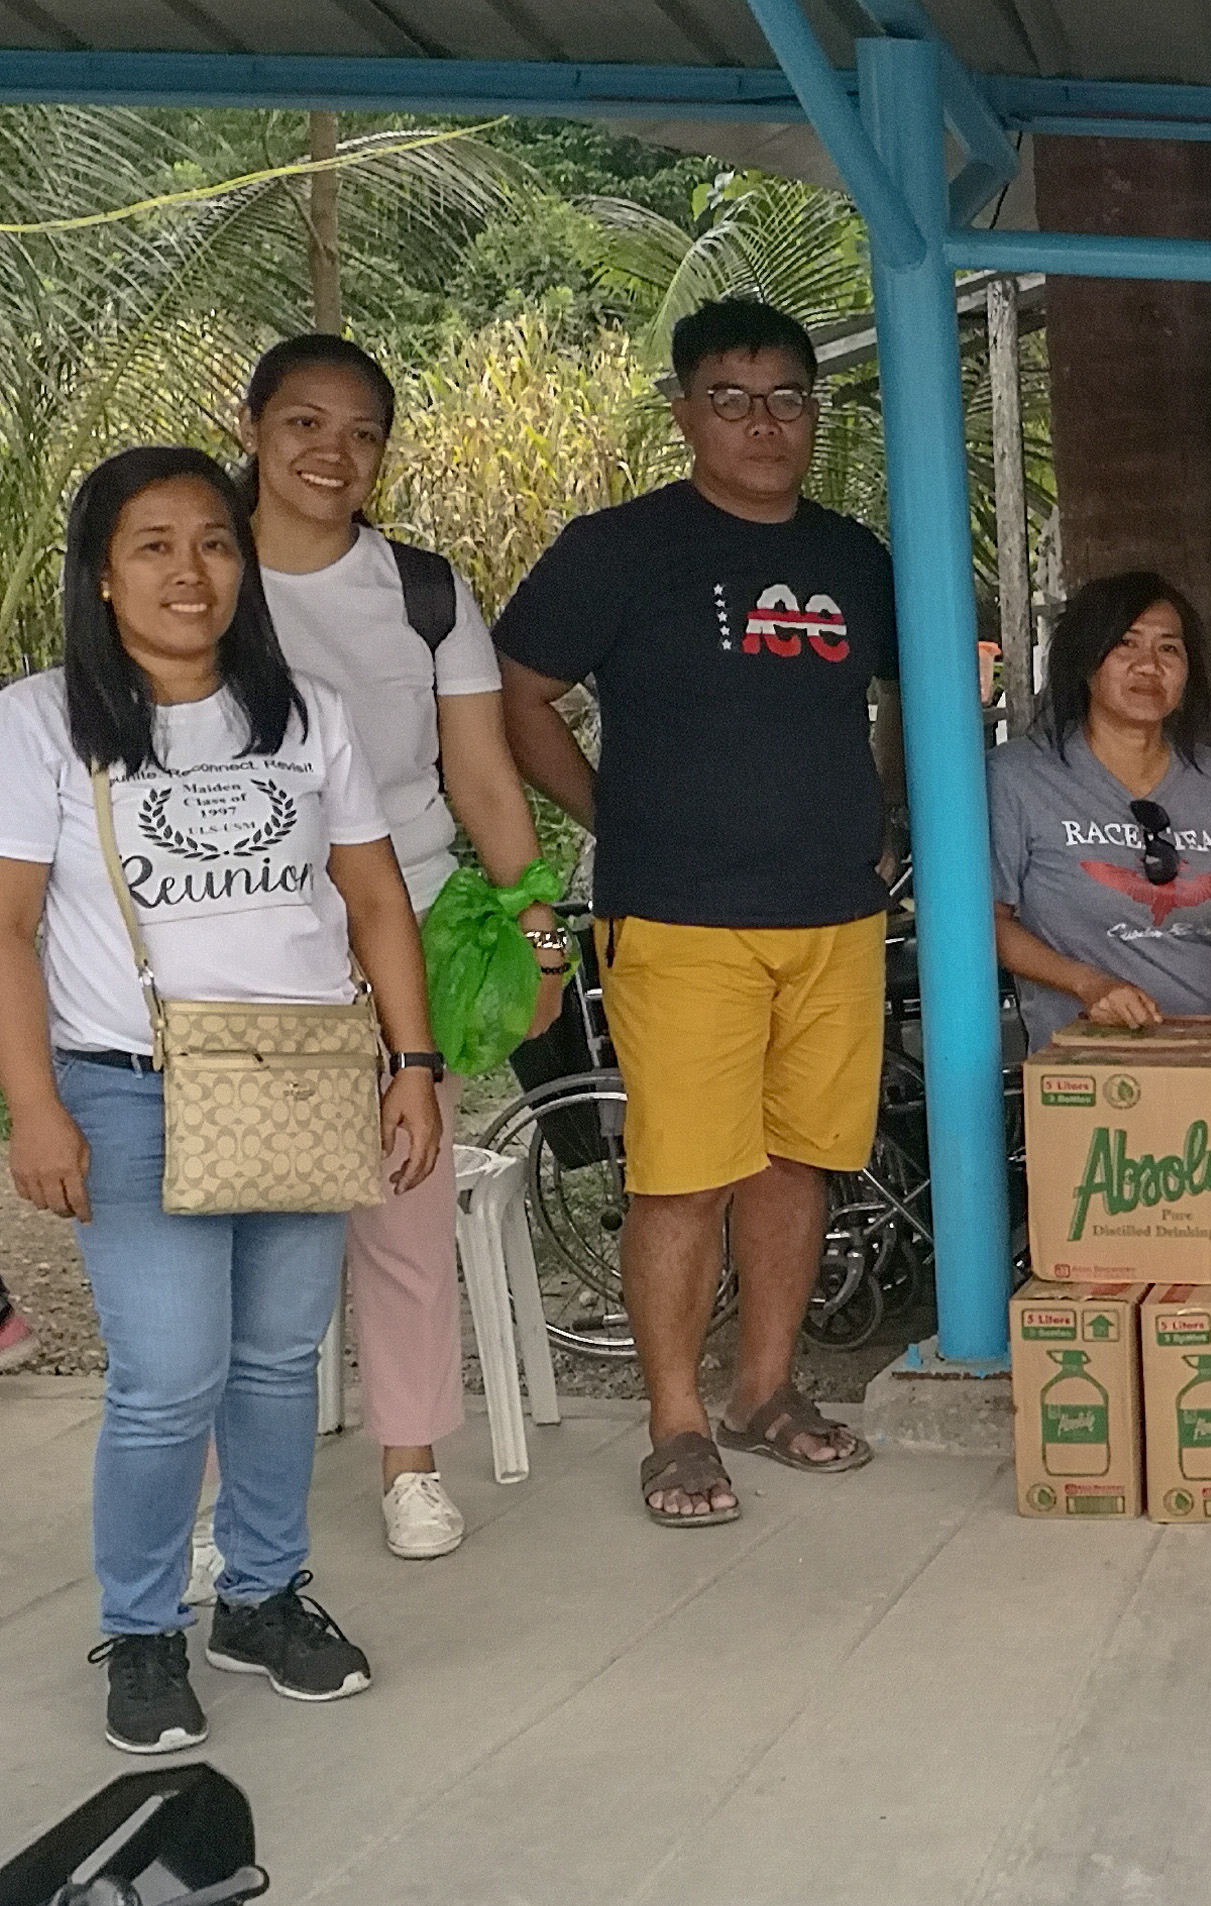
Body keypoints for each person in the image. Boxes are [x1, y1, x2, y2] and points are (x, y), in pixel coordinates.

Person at [1, 447, 443, 1753]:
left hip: (304, 1076)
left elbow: (373, 897)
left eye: (212, 542)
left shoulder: (302, 711)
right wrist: (34, 1105)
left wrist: (409, 1066)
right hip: (130, 1086)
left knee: (272, 1367)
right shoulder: (40, 718)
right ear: (100, 572)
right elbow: (10, 924)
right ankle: (143, 1627)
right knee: (165, 1375)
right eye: (153, 544)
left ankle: (260, 1595)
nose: (188, 571)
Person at [495, 298, 893, 1527]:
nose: (763, 422)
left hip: (832, 914)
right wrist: (612, 811)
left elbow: (908, 699)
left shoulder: (854, 559)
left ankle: (765, 1392)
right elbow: (518, 693)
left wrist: (885, 823)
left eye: (787, 398)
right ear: (684, 412)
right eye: (731, 397)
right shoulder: (620, 548)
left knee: (797, 1161)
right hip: (679, 915)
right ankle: (676, 1425)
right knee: (680, 1178)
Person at [237, 333, 563, 1563]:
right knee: (245, 1217)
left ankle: (413, 1463)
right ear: (254, 424)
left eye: (362, 431)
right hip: (250, 935)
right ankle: (230, 1495)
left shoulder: (420, 589)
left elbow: (478, 773)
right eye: (306, 423)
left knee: (404, 1198)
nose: (334, 452)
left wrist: (534, 922)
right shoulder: (201, 570)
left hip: (408, 920)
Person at [989, 571, 1211, 1049]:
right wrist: (1088, 985)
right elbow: (989, 922)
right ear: (1086, 663)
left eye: (1169, 648)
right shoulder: (1018, 777)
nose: (1149, 665)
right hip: (1084, 1051)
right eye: (1126, 645)